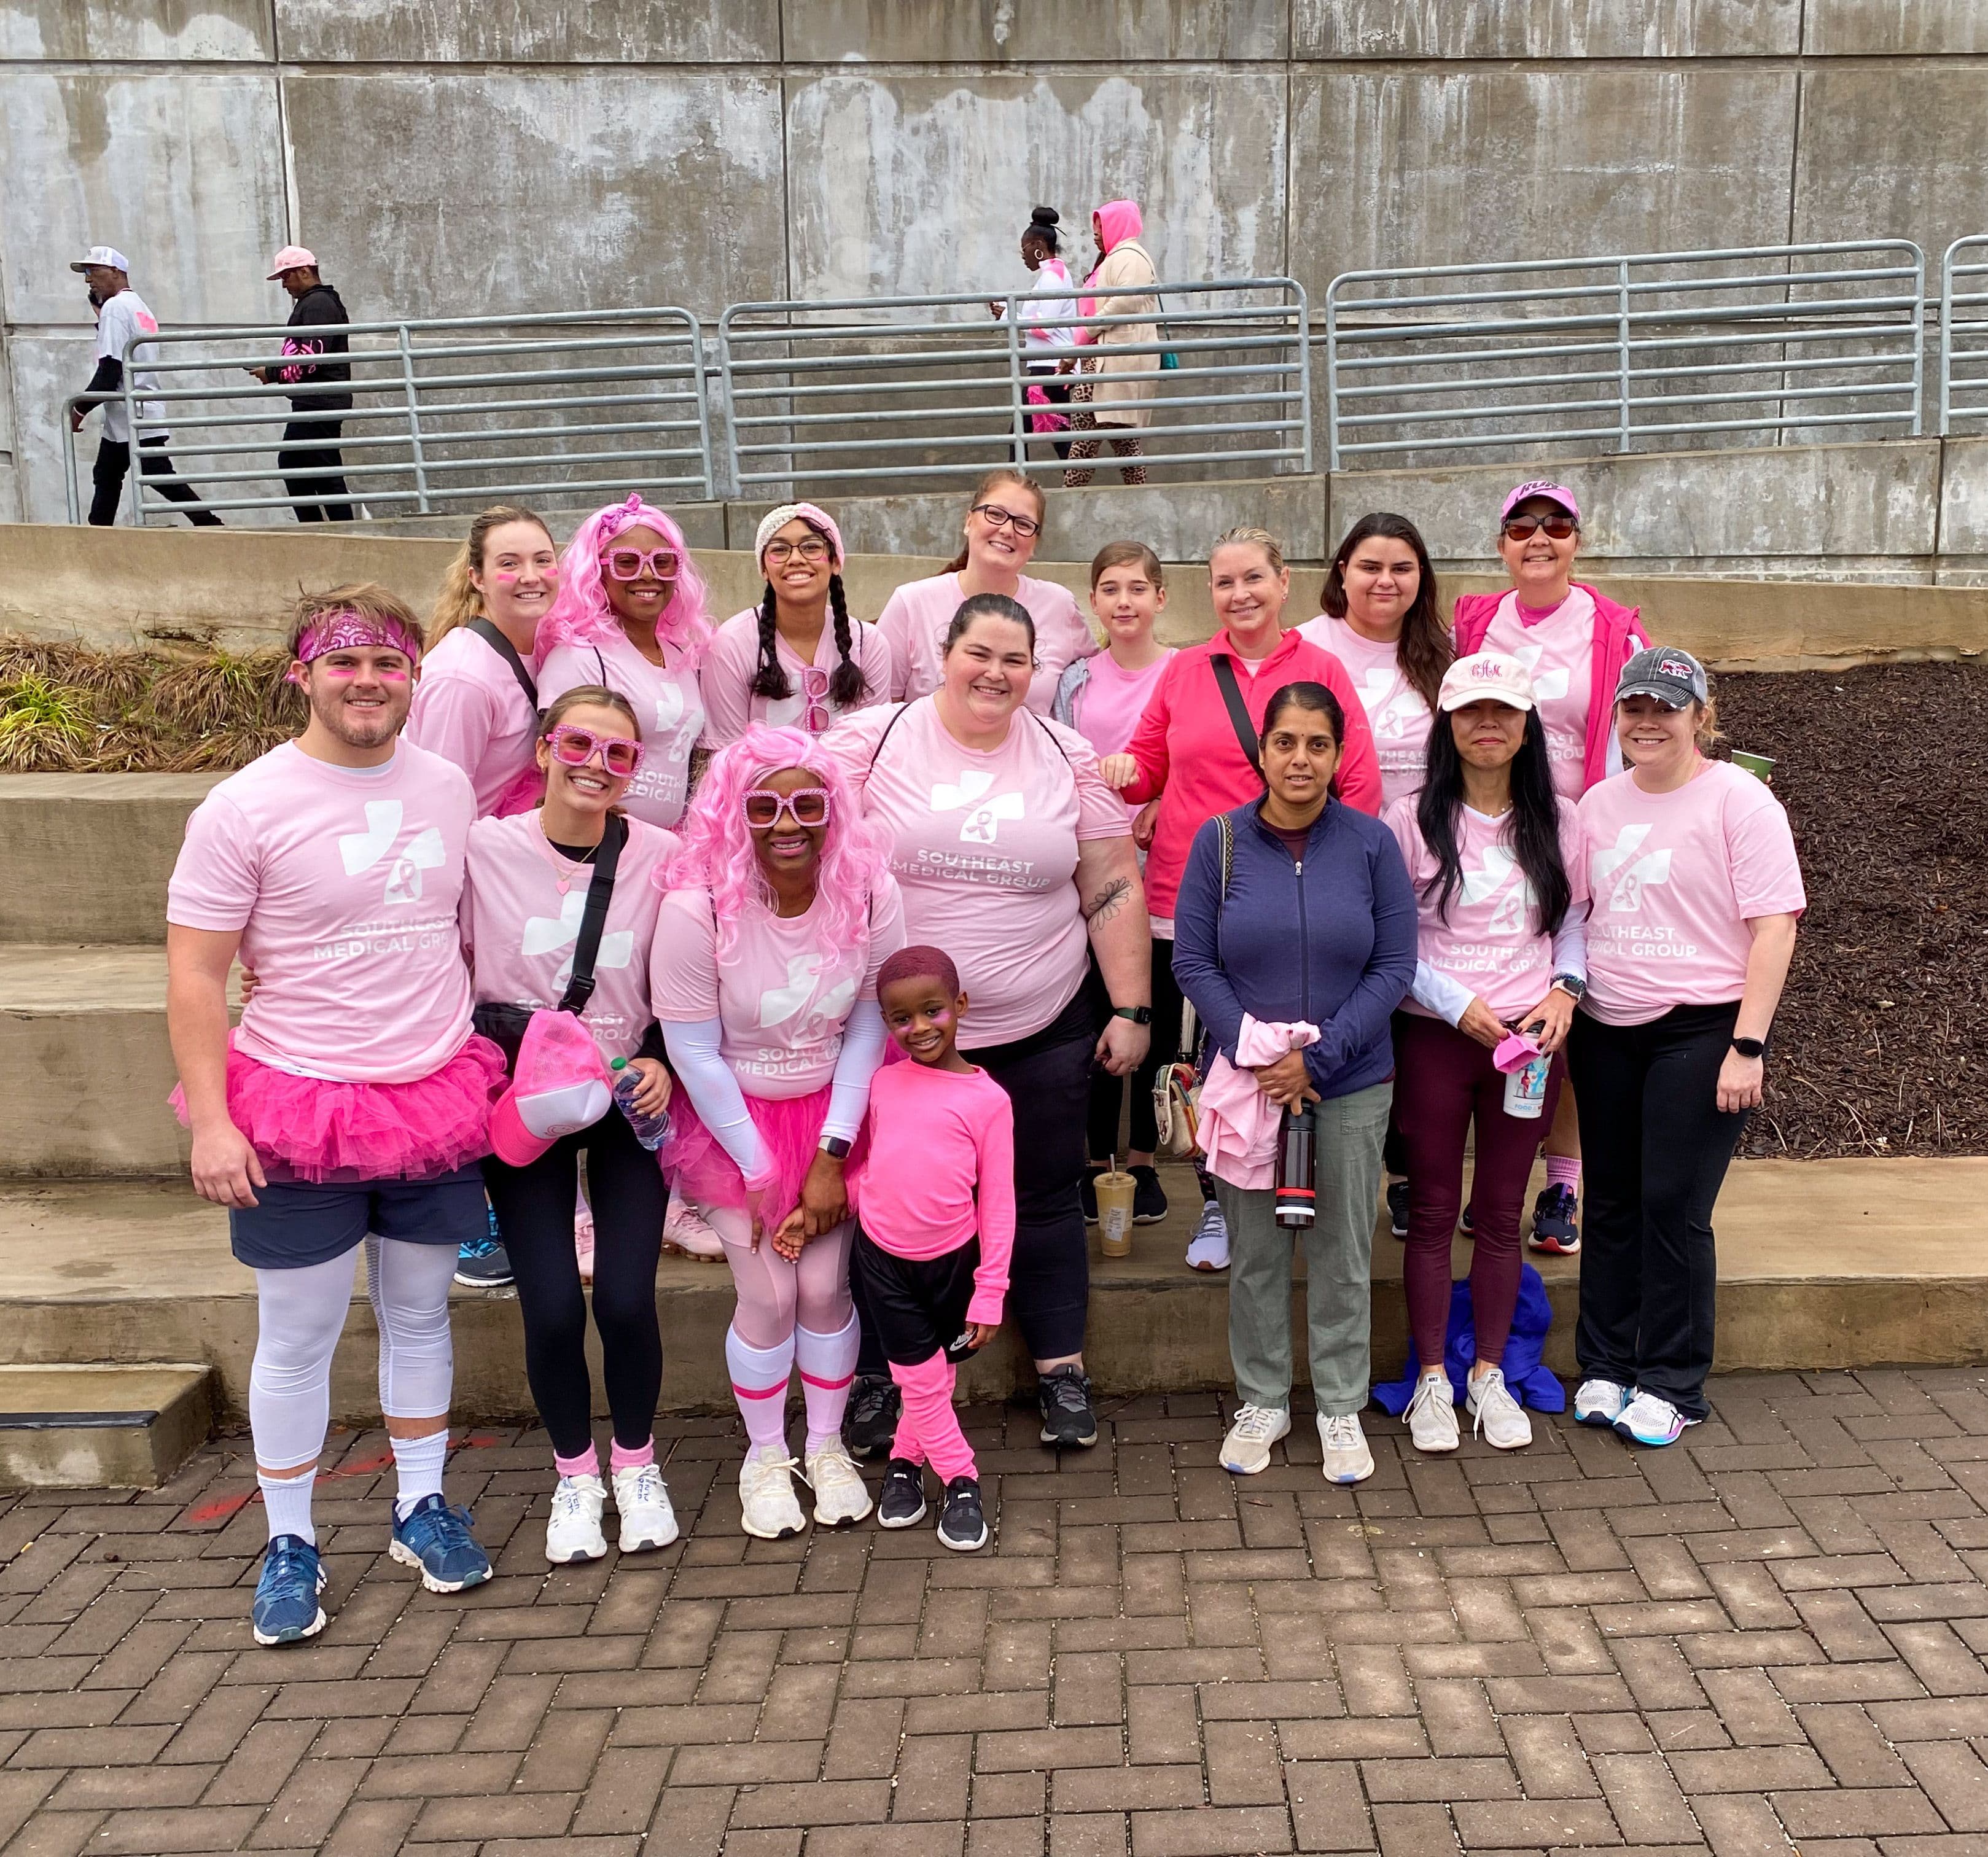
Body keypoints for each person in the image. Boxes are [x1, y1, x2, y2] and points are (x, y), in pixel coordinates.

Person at [164, 586, 502, 1646]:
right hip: (296, 1102)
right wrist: (213, 1122)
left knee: (419, 1316)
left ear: (414, 677)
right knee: (298, 1337)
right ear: (301, 672)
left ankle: (418, 1505)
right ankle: (292, 1538)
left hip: (433, 1092)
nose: (367, 682)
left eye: (389, 663)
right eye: (344, 662)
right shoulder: (244, 805)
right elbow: (194, 976)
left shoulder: (448, 785)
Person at [828, 594, 1149, 1455]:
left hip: (1038, 1023)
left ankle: (1060, 1371)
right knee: (892, 1214)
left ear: (1036, 670)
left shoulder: (1066, 754)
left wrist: (1129, 1006)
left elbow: (1112, 882)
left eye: (1015, 660)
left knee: (1043, 1199)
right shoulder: (872, 741)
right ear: (944, 652)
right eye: (979, 653)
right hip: (900, 1042)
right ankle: (882, 1379)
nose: (995, 674)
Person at [1100, 528, 1382, 1270]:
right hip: (1190, 895)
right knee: (1208, 1062)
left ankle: (1300, 1193)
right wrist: (1124, 773)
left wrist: (1347, 881)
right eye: (1224, 583)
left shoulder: (1323, 668)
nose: (1240, 594)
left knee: (1295, 1052)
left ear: (1284, 580)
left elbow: (1358, 782)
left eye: (1253, 578)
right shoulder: (1187, 669)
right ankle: (1222, 1204)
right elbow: (1150, 766)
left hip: (1296, 897)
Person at [649, 726, 904, 1538]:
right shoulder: (696, 909)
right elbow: (690, 1048)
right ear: (733, 812)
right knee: (766, 1292)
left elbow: (871, 1030)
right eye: (763, 805)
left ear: (835, 809)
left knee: (826, 1291)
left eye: (807, 802)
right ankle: (766, 1454)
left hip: (836, 1114)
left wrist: (828, 1158)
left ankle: (824, 1445)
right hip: (735, 1127)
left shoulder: (869, 893)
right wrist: (760, 1168)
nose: (786, 821)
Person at [1171, 682, 1415, 1487]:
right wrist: (1250, 1049)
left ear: (1337, 753)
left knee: (1344, 1250)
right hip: (1248, 1086)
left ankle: (1339, 1404)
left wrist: (1321, 1057)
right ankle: (1265, 1399)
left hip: (1348, 1082)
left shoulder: (1373, 844)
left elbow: (1394, 966)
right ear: (1263, 750)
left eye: (1317, 743)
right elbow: (1193, 961)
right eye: (1286, 742)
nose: (1300, 759)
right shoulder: (1222, 842)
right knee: (1257, 1253)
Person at [462, 685, 679, 1563]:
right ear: (546, 749)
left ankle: (636, 1464)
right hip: (523, 1100)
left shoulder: (664, 855)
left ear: (635, 772)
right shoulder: (484, 848)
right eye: (580, 745)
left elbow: (687, 970)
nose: (596, 765)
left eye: (619, 755)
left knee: (626, 1299)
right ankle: (576, 1476)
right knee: (551, 1307)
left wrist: (663, 1053)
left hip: (628, 1095)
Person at [1570, 647, 1802, 1449]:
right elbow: (1575, 910)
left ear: (1700, 716)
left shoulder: (1740, 801)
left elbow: (1774, 927)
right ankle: (1603, 1363)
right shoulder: (1597, 804)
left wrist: (1748, 1043)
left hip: (1700, 1028)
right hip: (1605, 1026)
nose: (1646, 721)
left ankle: (1670, 1381)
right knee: (1609, 1201)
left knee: (1671, 1205)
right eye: (1633, 706)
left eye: (1666, 707)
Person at [1384, 653, 1588, 1456]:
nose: (1489, 725)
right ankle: (1433, 1377)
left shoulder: (1560, 819)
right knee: (1433, 1212)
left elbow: (1573, 920)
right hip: (1439, 1037)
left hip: (1529, 1043)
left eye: (1504, 711)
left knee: (1500, 1214)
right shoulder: (1408, 820)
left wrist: (1564, 991)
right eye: (1472, 712)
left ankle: (1489, 1375)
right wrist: (1456, 1007)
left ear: (1528, 723)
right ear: (1448, 722)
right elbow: (1390, 941)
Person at [1454, 481, 1648, 1258]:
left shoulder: (1611, 632)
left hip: (1577, 838)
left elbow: (1637, 734)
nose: (1540, 538)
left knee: (1564, 1016)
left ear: (1577, 539)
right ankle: (1493, 1183)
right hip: (1491, 830)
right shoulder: (1475, 623)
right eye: (1522, 526)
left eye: (1556, 525)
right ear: (1501, 544)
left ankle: (1563, 1180)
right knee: (1495, 1006)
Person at [1300, 512, 1453, 1242]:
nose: (1385, 581)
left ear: (1421, 579)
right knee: (1335, 1003)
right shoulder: (1307, 645)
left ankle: (1400, 1173)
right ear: (1341, 572)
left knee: (1406, 1011)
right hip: (1328, 854)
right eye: (1369, 566)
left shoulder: (1443, 656)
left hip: (1424, 860)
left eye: (1402, 568)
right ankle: (1309, 1162)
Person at [861, 946, 1015, 1552]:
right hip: (883, 1258)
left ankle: (903, 1460)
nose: (919, 1028)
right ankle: (962, 1476)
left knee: (936, 1375)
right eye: (901, 1019)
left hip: (955, 1263)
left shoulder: (988, 1100)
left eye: (932, 1011)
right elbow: (869, 1163)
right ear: (887, 1023)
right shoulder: (880, 1083)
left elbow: (998, 1202)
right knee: (919, 1378)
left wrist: (990, 1290)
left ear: (960, 1006)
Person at [1053, 542, 1175, 1226]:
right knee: (1098, 1010)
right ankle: (1098, 1159)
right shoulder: (1076, 678)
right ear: (1094, 601)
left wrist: (1166, 799)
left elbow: (1201, 752)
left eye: (1137, 588)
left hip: (1165, 865)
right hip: (1093, 870)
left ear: (1161, 598)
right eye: (1110, 589)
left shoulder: (1186, 671)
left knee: (1152, 1016)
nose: (1124, 601)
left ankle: (1147, 1159)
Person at [537, 494, 711, 831]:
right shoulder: (579, 657)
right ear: (596, 572)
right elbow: (556, 764)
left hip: (668, 848)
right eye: (627, 562)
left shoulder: (681, 657)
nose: (648, 575)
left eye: (663, 562)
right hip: (602, 849)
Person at [874, 469, 1096, 717]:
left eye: (1023, 524)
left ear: (1035, 543)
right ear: (968, 521)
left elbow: (1103, 677)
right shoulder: (911, 603)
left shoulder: (1059, 605)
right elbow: (881, 712)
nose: (1007, 530)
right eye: (995, 514)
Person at [700, 503, 892, 749]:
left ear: (835, 562)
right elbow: (726, 757)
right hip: (757, 788)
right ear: (764, 569)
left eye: (811, 547)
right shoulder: (731, 643)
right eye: (780, 550)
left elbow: (875, 750)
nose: (796, 559)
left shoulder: (869, 644)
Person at [68, 246, 222, 528]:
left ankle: (211, 524)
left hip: (132, 410)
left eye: (93, 271)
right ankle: (98, 532)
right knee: (109, 473)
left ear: (116, 271)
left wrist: (79, 408)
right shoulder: (138, 305)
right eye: (86, 273)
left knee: (153, 473)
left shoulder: (116, 308)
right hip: (137, 407)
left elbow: (110, 369)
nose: (88, 279)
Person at [1061, 199, 1160, 488]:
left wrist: (1090, 328)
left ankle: (1073, 494)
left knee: (1110, 434)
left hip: (1115, 362)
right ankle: (1075, 491)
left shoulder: (1131, 257)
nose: (1096, 237)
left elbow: (1124, 301)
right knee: (1099, 434)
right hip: (1104, 361)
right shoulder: (1119, 257)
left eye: (1100, 230)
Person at [251, 246, 354, 523]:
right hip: (316, 400)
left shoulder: (318, 304)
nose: (284, 285)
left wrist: (272, 374)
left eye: (286, 277)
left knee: (309, 467)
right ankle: (331, 531)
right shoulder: (315, 302)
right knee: (313, 468)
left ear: (304, 272)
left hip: (319, 401)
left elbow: (311, 358)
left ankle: (331, 532)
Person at [992, 205, 1075, 462]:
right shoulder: (1051, 276)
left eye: (1024, 248)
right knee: (1055, 436)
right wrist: (1008, 312)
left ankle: (1019, 485)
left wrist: (1009, 316)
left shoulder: (1052, 278)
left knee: (1023, 435)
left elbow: (1045, 326)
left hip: (1049, 369)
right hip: (1047, 368)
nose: (1023, 255)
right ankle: (1072, 483)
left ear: (1039, 246)